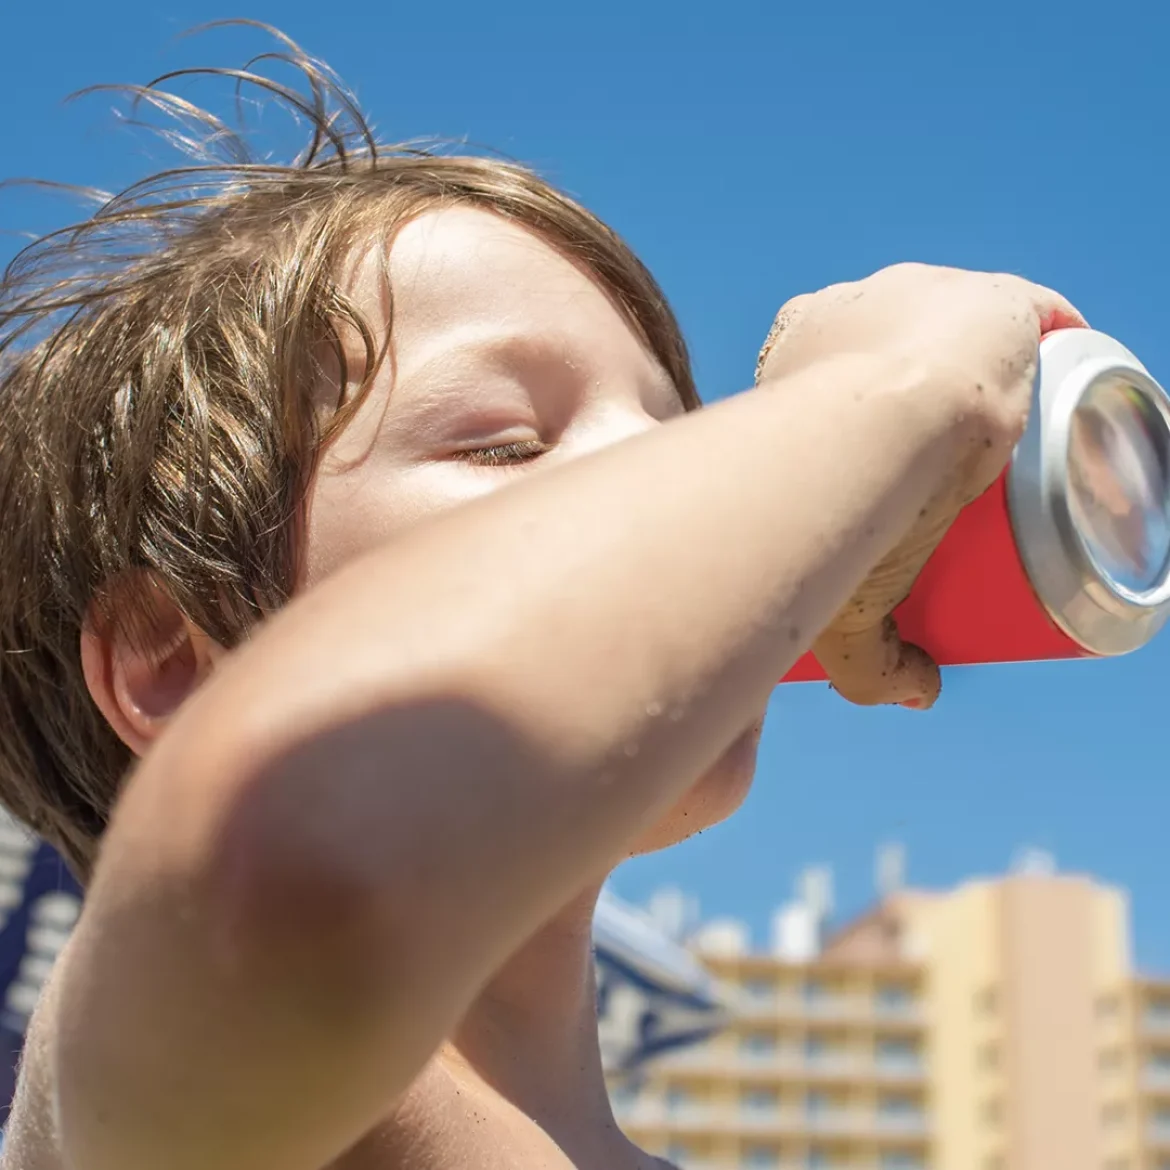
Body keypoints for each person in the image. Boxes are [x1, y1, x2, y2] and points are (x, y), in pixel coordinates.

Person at [0, 25, 1084, 1170]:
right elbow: (285, 878)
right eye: (510, 446)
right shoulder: (145, 1064)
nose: (669, 489)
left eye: (683, 442)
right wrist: (900, 393)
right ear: (169, 661)